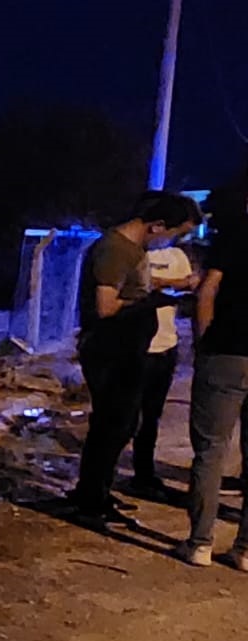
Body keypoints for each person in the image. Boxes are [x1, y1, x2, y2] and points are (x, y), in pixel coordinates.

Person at [69, 191, 199, 526]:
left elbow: (135, 287)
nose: (172, 241)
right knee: (113, 425)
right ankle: (90, 500)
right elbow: (106, 306)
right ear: (157, 226)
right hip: (110, 349)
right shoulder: (114, 250)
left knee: (120, 423)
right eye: (173, 233)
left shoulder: (133, 250)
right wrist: (153, 304)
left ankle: (97, 492)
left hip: (127, 348)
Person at [180, 190, 248, 567]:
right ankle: (245, 550)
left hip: (227, 351)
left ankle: (200, 543)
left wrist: (203, 342)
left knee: (211, 450)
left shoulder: (235, 234)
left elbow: (207, 292)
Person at [128, 199, 204, 498]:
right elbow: (137, 282)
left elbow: (191, 284)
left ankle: (143, 474)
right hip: (137, 347)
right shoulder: (138, 251)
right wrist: (169, 283)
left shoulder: (177, 255)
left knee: (152, 416)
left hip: (166, 345)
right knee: (127, 416)